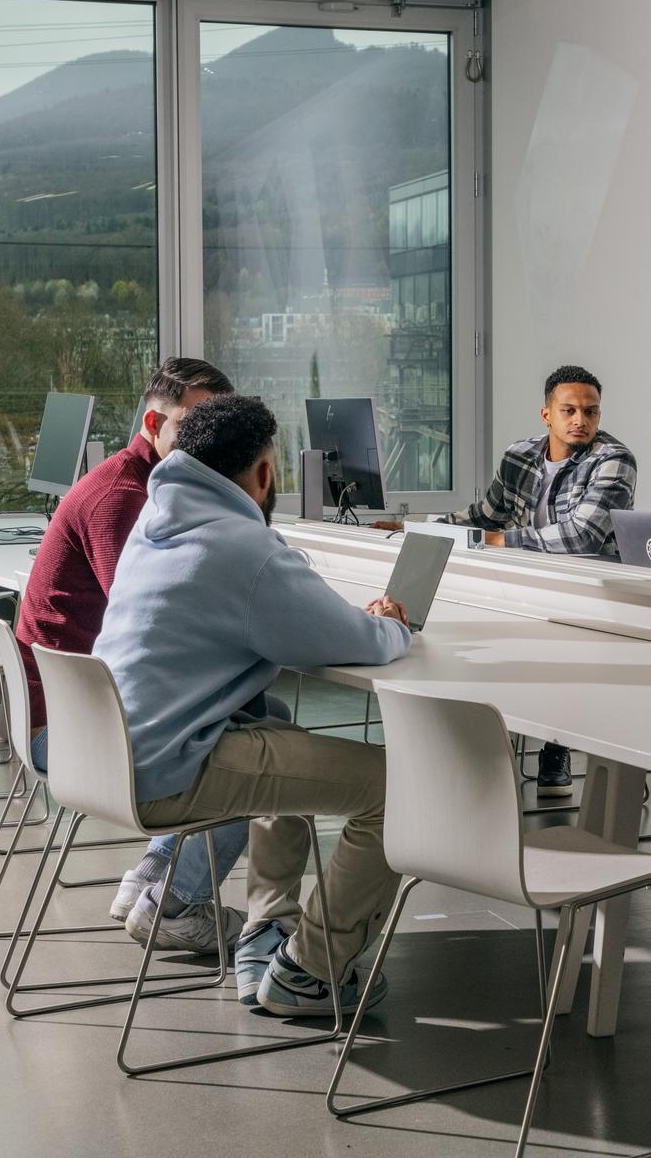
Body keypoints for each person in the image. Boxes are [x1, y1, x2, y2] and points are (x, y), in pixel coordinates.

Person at [91, 394, 413, 1016]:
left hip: (108, 755)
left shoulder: (155, 524)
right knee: (398, 790)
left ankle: (267, 929)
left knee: (276, 723)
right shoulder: (242, 547)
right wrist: (393, 625)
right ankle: (312, 971)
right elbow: (356, 642)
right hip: (168, 771)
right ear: (265, 472)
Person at [12, 358, 258, 955]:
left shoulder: (154, 488)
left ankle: (152, 879)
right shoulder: (123, 498)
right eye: (195, 424)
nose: (212, 440)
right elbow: (164, 615)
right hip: (73, 736)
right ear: (152, 423)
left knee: (260, 716)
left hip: (81, 718)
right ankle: (176, 906)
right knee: (250, 754)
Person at [428, 364, 637, 799]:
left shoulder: (614, 460)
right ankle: (481, 749)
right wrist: (425, 527)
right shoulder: (519, 456)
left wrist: (499, 541)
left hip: (592, 591)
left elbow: (582, 537)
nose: (581, 420)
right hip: (531, 584)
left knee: (556, 645)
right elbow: (487, 515)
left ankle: (555, 746)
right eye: (569, 410)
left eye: (591, 412)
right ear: (546, 415)